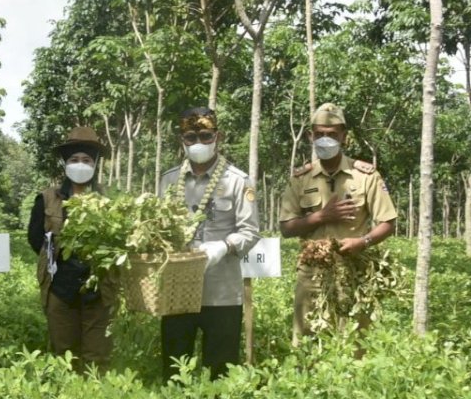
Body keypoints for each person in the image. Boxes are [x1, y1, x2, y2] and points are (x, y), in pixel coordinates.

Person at [279, 102, 397, 344]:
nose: (325, 139)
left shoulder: (366, 175)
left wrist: (363, 242)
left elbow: (388, 221)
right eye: (320, 134)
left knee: (355, 343)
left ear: (344, 137)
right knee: (307, 343)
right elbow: (286, 228)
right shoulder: (301, 178)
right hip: (312, 272)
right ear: (311, 136)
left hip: (354, 270)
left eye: (332, 134)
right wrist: (322, 216)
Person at [159, 107, 260, 381]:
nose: (198, 144)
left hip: (222, 291)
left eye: (205, 136)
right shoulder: (169, 180)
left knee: (221, 369)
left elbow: (251, 231)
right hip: (177, 290)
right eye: (190, 138)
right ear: (182, 140)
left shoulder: (237, 180)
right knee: (174, 367)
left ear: (218, 136)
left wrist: (224, 246)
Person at [27, 126, 118, 373]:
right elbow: (35, 238)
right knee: (64, 352)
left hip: (99, 288)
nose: (80, 164)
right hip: (60, 287)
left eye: (86, 160)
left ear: (95, 163)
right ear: (65, 163)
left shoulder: (110, 199)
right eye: (74, 160)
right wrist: (60, 260)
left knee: (97, 354)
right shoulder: (47, 198)